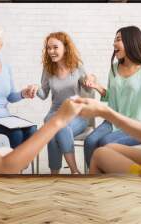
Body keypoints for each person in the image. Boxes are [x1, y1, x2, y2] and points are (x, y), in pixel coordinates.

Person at [0, 24, 86, 174]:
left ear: (0, 45)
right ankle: (13, 171)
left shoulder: (6, 68)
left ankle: (21, 167)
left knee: (31, 129)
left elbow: (10, 97)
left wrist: (23, 93)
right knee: (17, 134)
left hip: (4, 118)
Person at [77, 34, 141, 175]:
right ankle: (96, 180)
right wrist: (98, 87)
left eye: (118, 39)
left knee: (105, 142)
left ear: (131, 42)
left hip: (135, 123)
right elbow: (112, 96)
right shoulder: (114, 68)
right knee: (90, 141)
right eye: (114, 39)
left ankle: (111, 183)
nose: (114, 43)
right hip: (112, 121)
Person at [34, 32, 93, 174]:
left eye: (55, 47)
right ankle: (72, 172)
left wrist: (90, 80)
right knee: (55, 125)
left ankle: (62, 173)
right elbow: (43, 95)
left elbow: (88, 87)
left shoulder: (77, 67)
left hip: (77, 113)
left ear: (65, 48)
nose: (51, 51)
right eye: (49, 48)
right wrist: (36, 89)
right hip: (55, 113)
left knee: (57, 128)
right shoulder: (48, 70)